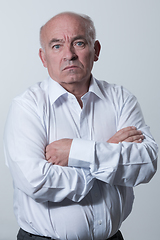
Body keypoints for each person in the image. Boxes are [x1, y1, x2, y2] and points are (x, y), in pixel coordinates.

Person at [4, 12, 158, 240]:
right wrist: (107, 151)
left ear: (95, 50)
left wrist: (75, 152)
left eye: (79, 43)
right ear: (43, 57)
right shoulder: (27, 107)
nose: (69, 55)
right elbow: (36, 182)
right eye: (56, 46)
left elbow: (146, 163)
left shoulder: (121, 99)